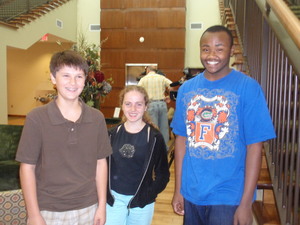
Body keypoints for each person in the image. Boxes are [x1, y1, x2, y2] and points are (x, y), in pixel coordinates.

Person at [171, 25, 276, 225]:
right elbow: (181, 140)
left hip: (229, 197)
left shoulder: (248, 88)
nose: (212, 55)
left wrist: (246, 204)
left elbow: (255, 147)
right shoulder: (186, 90)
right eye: (205, 48)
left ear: (231, 50)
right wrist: (178, 190)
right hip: (192, 193)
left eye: (219, 48)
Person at [15, 50, 112, 225]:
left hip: (88, 207)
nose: (73, 83)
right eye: (66, 75)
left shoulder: (96, 118)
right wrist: (34, 214)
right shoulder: (36, 118)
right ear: (53, 78)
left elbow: (101, 163)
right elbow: (27, 168)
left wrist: (102, 207)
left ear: (86, 80)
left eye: (79, 76)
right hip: (49, 210)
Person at [106, 85, 170, 225]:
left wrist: (147, 195)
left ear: (146, 106)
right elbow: (101, 169)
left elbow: (163, 175)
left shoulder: (154, 137)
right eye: (128, 104)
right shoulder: (111, 135)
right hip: (114, 201)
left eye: (138, 104)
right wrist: (106, 195)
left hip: (141, 201)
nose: (133, 109)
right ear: (122, 105)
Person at [138, 65, 173, 145]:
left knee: (153, 128)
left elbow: (138, 90)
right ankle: (164, 147)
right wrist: (169, 96)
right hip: (162, 104)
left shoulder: (143, 79)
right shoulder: (161, 78)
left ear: (147, 70)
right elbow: (171, 85)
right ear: (155, 70)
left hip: (151, 104)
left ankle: (154, 146)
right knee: (164, 127)